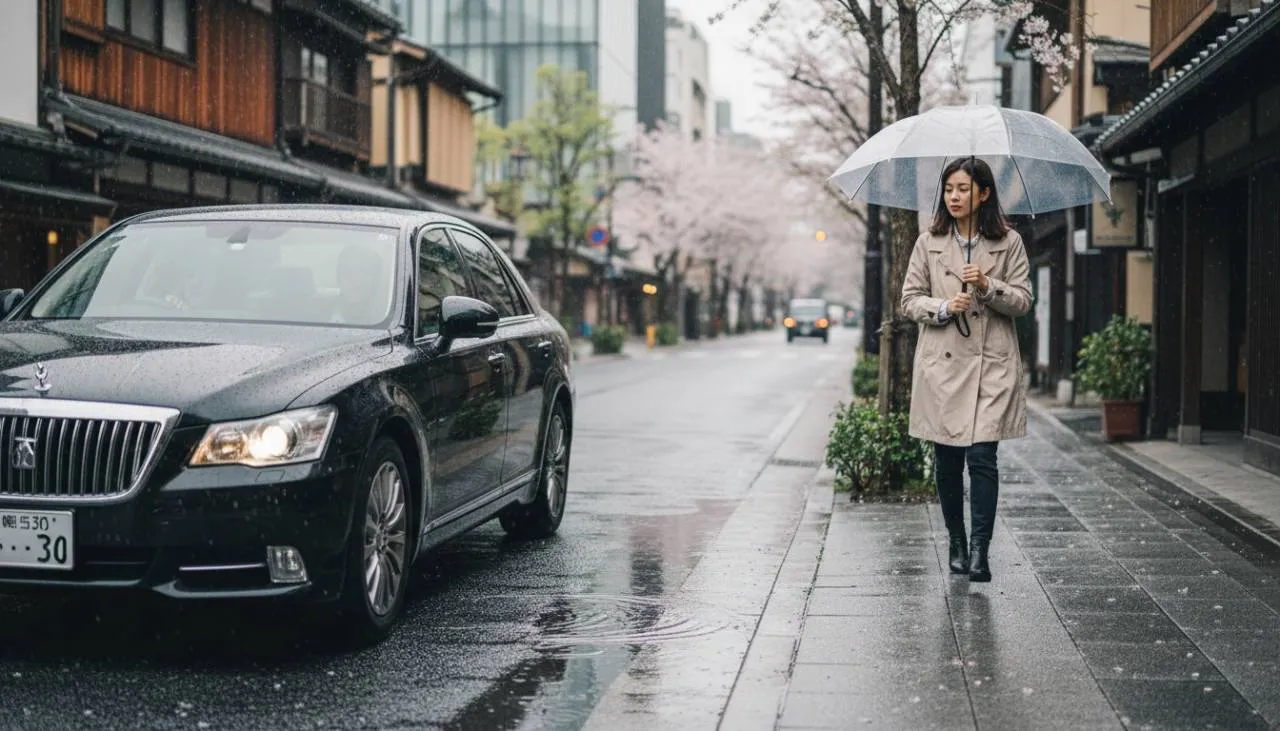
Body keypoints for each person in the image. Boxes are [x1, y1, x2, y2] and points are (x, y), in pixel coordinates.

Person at [900, 157, 1032, 582]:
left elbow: (1023, 301)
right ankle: (956, 541)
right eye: (948, 189)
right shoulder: (929, 242)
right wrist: (943, 306)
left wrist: (988, 286)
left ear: (984, 193)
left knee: (982, 458)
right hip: (943, 366)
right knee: (947, 460)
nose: (953, 197)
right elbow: (909, 300)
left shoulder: (1009, 243)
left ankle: (979, 551)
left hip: (991, 364)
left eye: (962, 189)